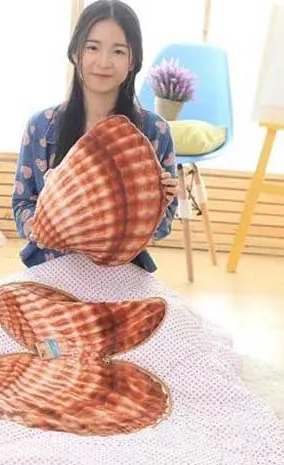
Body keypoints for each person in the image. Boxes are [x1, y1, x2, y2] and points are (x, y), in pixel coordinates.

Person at [11, 0, 179, 273]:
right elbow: (22, 204)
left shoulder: (155, 131)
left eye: (118, 51)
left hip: (123, 271)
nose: (103, 62)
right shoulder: (41, 126)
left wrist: (159, 203)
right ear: (75, 52)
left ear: (133, 60)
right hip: (50, 265)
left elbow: (163, 228)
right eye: (92, 47)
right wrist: (44, 229)